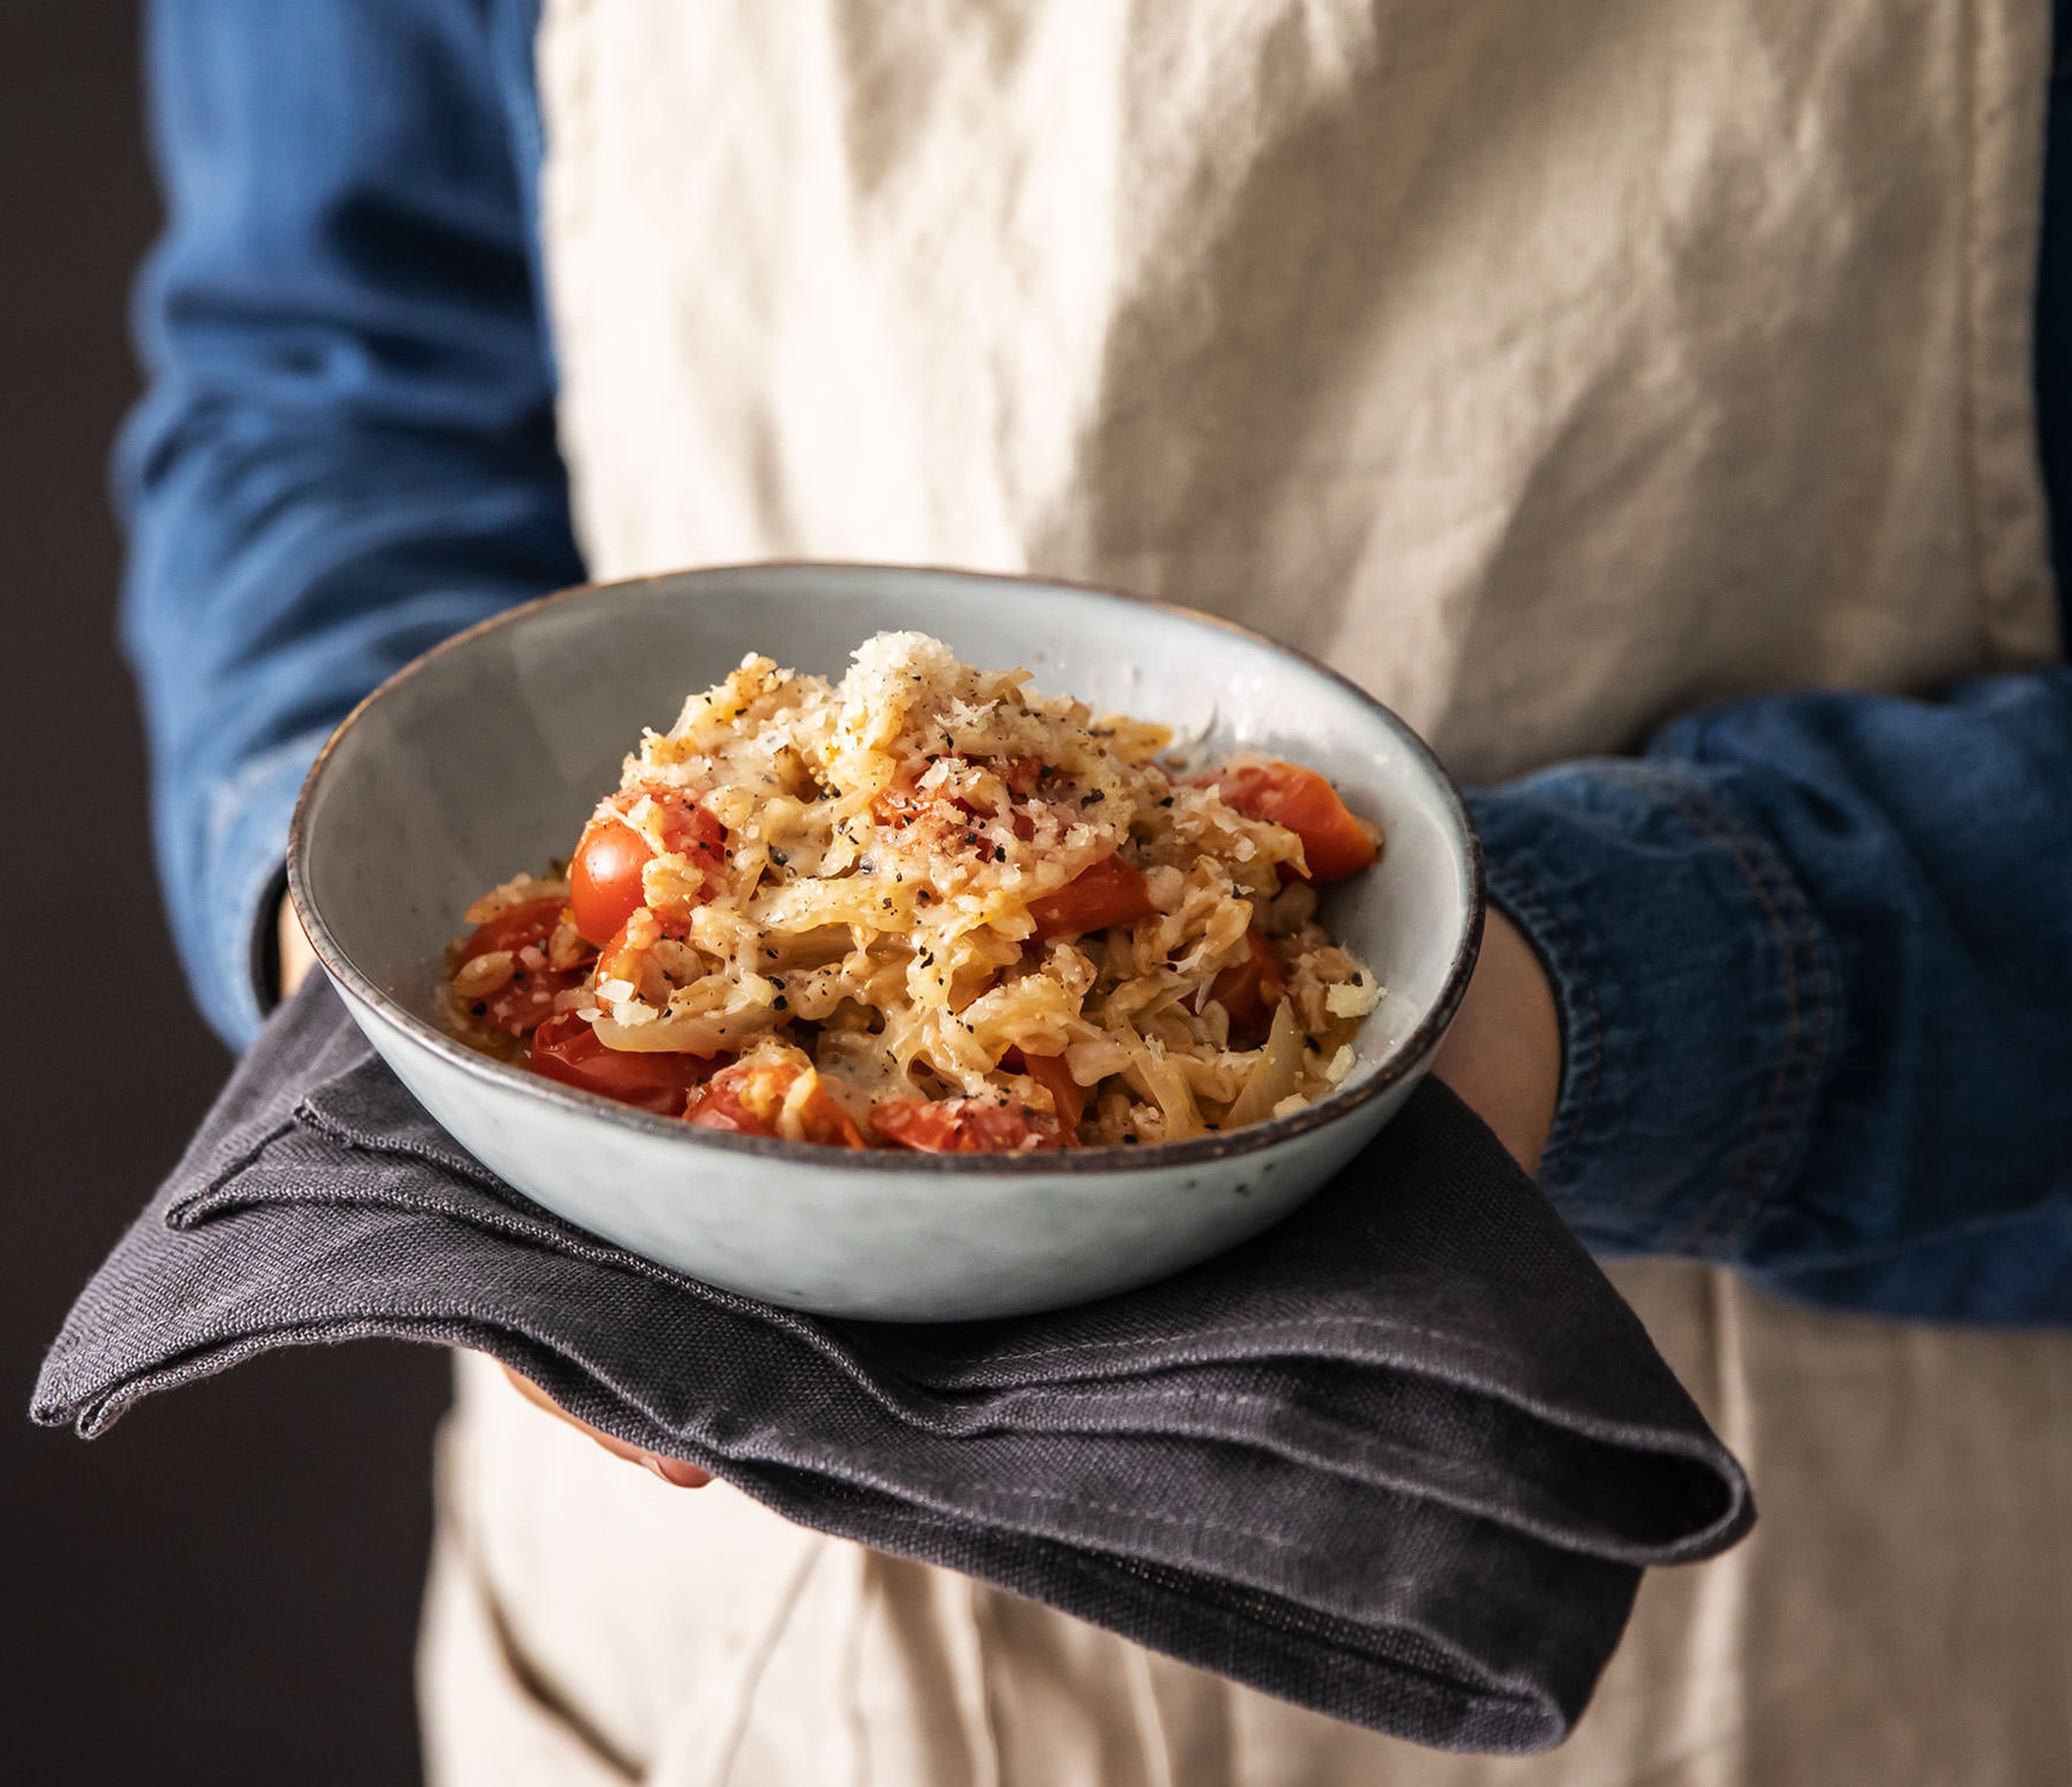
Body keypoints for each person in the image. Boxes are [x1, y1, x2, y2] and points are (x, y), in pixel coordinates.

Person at [119, 2, 2072, 1781]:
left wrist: (1580, 991)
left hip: (1779, 1601)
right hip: (729, 1641)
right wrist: (384, 977)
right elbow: (330, 378)